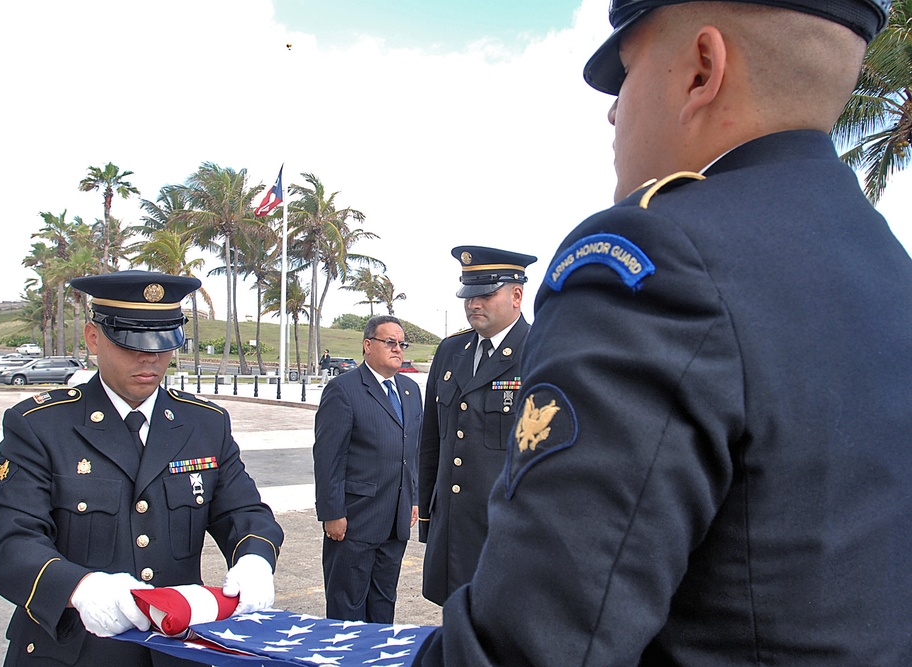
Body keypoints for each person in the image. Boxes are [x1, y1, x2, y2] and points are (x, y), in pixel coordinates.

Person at [414, 0, 912, 664]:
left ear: (703, 69)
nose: (614, 111)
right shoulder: (890, 272)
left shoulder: (659, 259)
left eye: (625, 73)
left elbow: (533, 644)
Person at [0, 270, 284, 666]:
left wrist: (254, 557)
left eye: (162, 343)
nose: (149, 357)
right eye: (129, 342)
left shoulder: (204, 423)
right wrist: (79, 588)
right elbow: (3, 540)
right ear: (93, 337)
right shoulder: (40, 426)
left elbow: (243, 511)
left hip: (177, 650)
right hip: (74, 650)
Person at [417, 245, 537, 605]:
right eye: (468, 295)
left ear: (516, 295)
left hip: (506, 534)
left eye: (485, 294)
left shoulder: (539, 351)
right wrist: (428, 516)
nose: (473, 304)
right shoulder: (451, 352)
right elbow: (431, 442)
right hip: (453, 530)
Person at [313, 315, 423, 622]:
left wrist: (413, 498)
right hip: (355, 520)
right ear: (367, 345)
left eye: (402, 344)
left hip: (395, 521)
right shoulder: (343, 390)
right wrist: (332, 513)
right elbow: (328, 458)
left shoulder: (410, 391)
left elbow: (411, 452)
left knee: (383, 604)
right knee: (347, 607)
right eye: (390, 342)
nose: (398, 349)